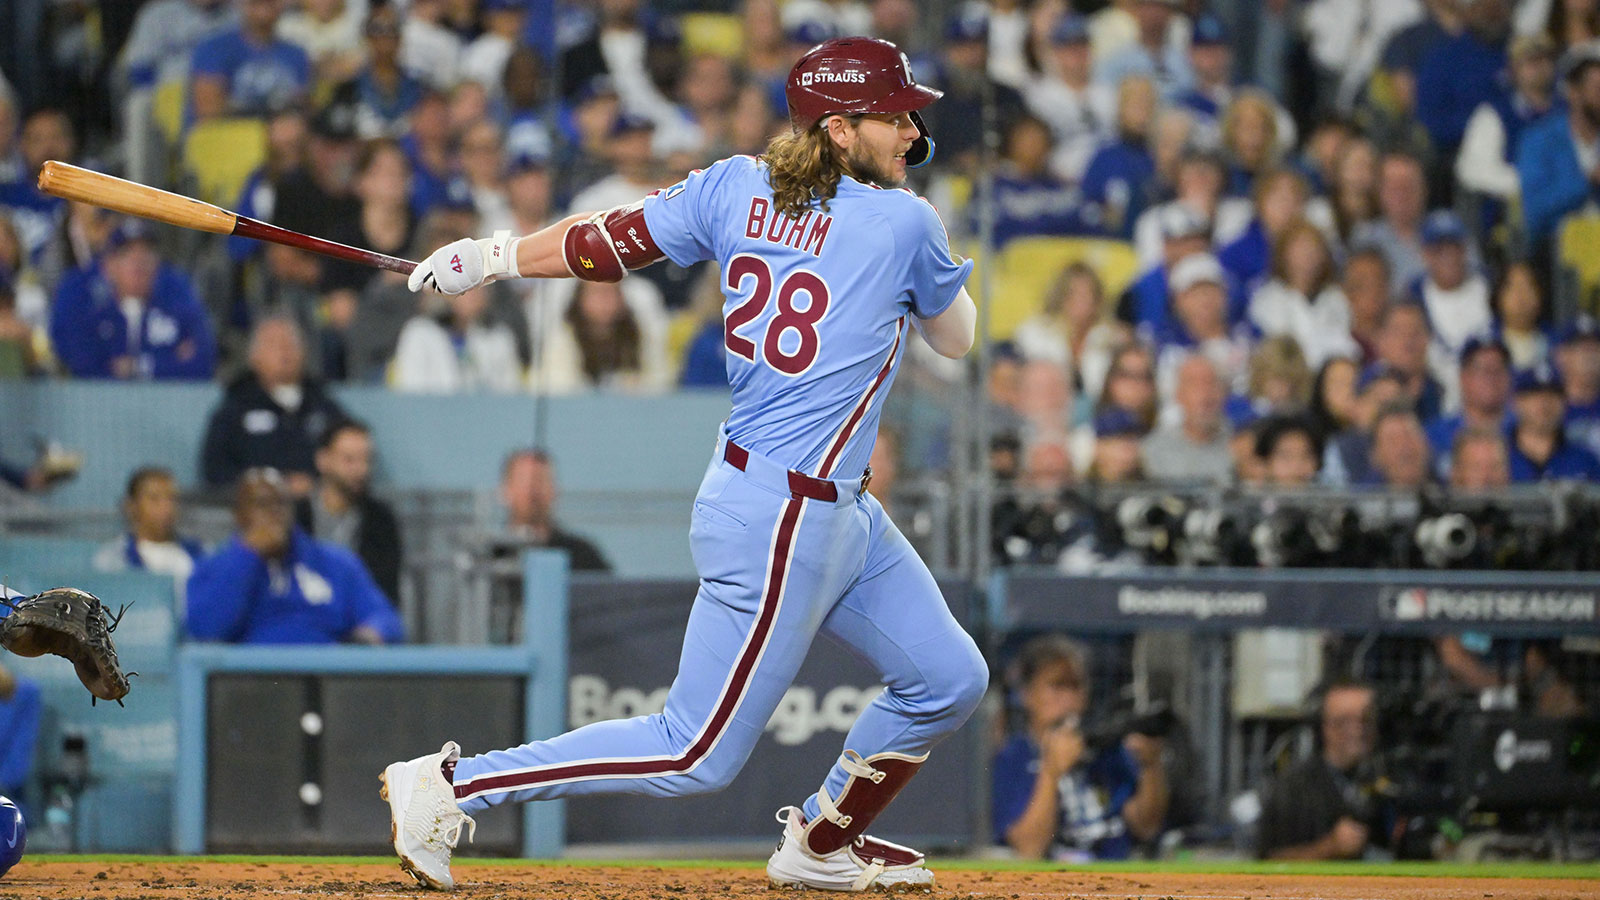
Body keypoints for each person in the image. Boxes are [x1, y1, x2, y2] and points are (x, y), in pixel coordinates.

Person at [382, 38, 986, 893]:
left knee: (947, 677)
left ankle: (818, 844)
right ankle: (448, 786)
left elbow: (606, 243)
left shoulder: (734, 184)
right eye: (895, 117)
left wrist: (493, 256)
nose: (913, 130)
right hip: (784, 516)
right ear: (841, 129)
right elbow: (958, 340)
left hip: (827, 504)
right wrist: (918, 228)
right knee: (692, 750)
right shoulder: (903, 220)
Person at [991, 635, 1168, 861]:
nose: (1068, 699)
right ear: (1027, 694)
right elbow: (1029, 848)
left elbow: (1146, 826)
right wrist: (1050, 772)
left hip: (1116, 872)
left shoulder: (1105, 750)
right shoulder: (1013, 757)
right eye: (1057, 686)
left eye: (1076, 686)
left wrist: (1150, 766)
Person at [187, 468, 402, 645]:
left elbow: (386, 619)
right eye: (262, 504)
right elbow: (205, 629)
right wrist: (247, 557)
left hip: (326, 680)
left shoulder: (335, 563)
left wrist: (370, 633)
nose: (274, 512)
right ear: (239, 515)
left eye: (281, 503)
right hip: (250, 683)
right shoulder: (213, 567)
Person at [48, 219, 217, 381]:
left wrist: (136, 367)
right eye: (127, 253)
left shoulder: (176, 302)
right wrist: (169, 361)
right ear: (109, 265)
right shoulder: (93, 310)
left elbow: (201, 362)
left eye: (147, 252)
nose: (139, 261)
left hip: (168, 406)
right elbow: (80, 363)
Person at [200, 317, 349, 496]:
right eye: (273, 344)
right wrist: (268, 486)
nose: (284, 351)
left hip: (317, 510)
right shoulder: (235, 407)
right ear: (254, 357)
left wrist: (316, 485)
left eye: (291, 343)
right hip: (255, 510)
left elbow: (349, 458)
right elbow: (215, 469)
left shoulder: (323, 405)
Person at [1256, 679, 1389, 860]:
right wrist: (1329, 847)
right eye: (1344, 721)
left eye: (1366, 719)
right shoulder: (1293, 787)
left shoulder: (1390, 781)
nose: (1358, 730)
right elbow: (1268, 860)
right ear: (1322, 726)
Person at [293, 420, 403, 605]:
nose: (361, 470)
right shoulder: (295, 517)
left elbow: (384, 593)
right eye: (349, 459)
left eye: (367, 459)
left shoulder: (381, 521)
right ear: (323, 460)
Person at [497, 449, 610, 573]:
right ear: (505, 491)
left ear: (555, 490)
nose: (532, 491)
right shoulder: (490, 558)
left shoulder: (583, 557)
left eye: (540, 480)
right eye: (523, 481)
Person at [92, 466, 205, 586]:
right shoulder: (113, 560)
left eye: (171, 499)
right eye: (154, 499)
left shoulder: (199, 553)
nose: (166, 508)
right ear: (131, 506)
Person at [1142, 354, 1233, 483]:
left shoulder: (1241, 446)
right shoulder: (1152, 451)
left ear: (1224, 393)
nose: (1205, 395)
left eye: (1211, 383)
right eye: (1194, 385)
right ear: (1178, 395)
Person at [1508, 363, 1600, 481]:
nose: (1544, 403)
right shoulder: (1498, 456)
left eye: (1553, 395)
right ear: (1516, 402)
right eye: (1534, 395)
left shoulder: (1585, 460)